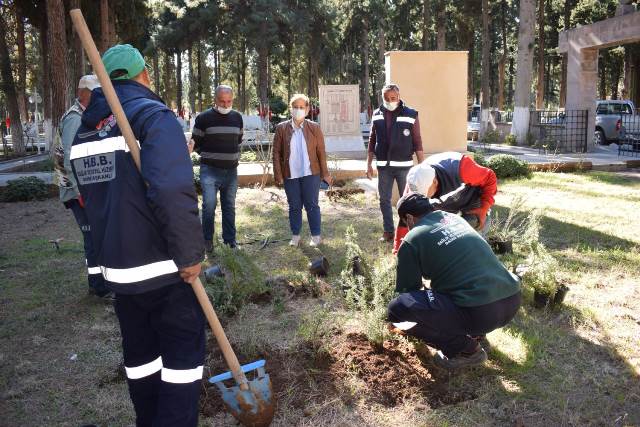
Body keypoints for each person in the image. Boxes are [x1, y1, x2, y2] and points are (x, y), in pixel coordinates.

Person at [69, 44, 205, 426]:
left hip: (121, 275)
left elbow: (92, 201)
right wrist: (190, 253)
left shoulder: (84, 134)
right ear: (143, 75)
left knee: (142, 363)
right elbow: (171, 191)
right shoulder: (152, 116)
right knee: (181, 366)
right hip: (164, 270)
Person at [387, 193, 521, 370]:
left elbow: (408, 291)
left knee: (398, 308)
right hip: (511, 299)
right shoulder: (453, 219)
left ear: (409, 218)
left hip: (479, 311)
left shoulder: (412, 240)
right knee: (454, 287)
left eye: (405, 223)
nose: (407, 227)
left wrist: (396, 321)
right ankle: (476, 335)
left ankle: (465, 350)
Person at [53, 74, 110, 297]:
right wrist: (80, 192)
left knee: (97, 235)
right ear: (85, 93)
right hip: (77, 191)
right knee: (92, 237)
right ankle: (98, 286)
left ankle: (101, 281)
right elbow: (69, 158)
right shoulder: (75, 118)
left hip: (85, 189)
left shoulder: (86, 115)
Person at [393, 152, 497, 253]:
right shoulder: (414, 181)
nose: (423, 198)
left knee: (473, 239)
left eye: (425, 193)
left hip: (471, 198)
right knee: (450, 239)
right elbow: (406, 215)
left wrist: (484, 208)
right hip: (450, 201)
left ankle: (481, 253)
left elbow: (490, 177)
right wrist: (399, 249)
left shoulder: (462, 168)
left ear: (435, 182)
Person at [366, 83, 424, 242]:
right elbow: (372, 141)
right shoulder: (377, 114)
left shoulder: (411, 114)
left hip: (404, 166)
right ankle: (388, 231)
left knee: (408, 201)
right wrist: (368, 163)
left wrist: (422, 166)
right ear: (382, 98)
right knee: (384, 199)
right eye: (386, 98)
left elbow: (417, 141)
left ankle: (410, 233)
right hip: (384, 167)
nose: (390, 101)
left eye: (393, 98)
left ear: (398, 97)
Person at [273, 93, 332, 247]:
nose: (298, 110)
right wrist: (278, 174)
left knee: (312, 205)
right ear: (291, 109)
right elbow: (276, 153)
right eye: (295, 107)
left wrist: (325, 173)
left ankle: (316, 236)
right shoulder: (281, 128)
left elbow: (321, 152)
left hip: (311, 173)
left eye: (301, 107)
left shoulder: (314, 128)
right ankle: (296, 236)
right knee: (294, 206)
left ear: (307, 110)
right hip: (290, 174)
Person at [191, 85, 243, 251]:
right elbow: (195, 143)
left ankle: (230, 240)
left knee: (229, 206)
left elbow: (238, 140)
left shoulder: (237, 117)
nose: (226, 105)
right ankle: (207, 241)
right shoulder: (204, 118)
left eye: (229, 101)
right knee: (209, 207)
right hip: (210, 171)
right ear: (215, 100)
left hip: (231, 171)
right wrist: (211, 155)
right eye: (222, 101)